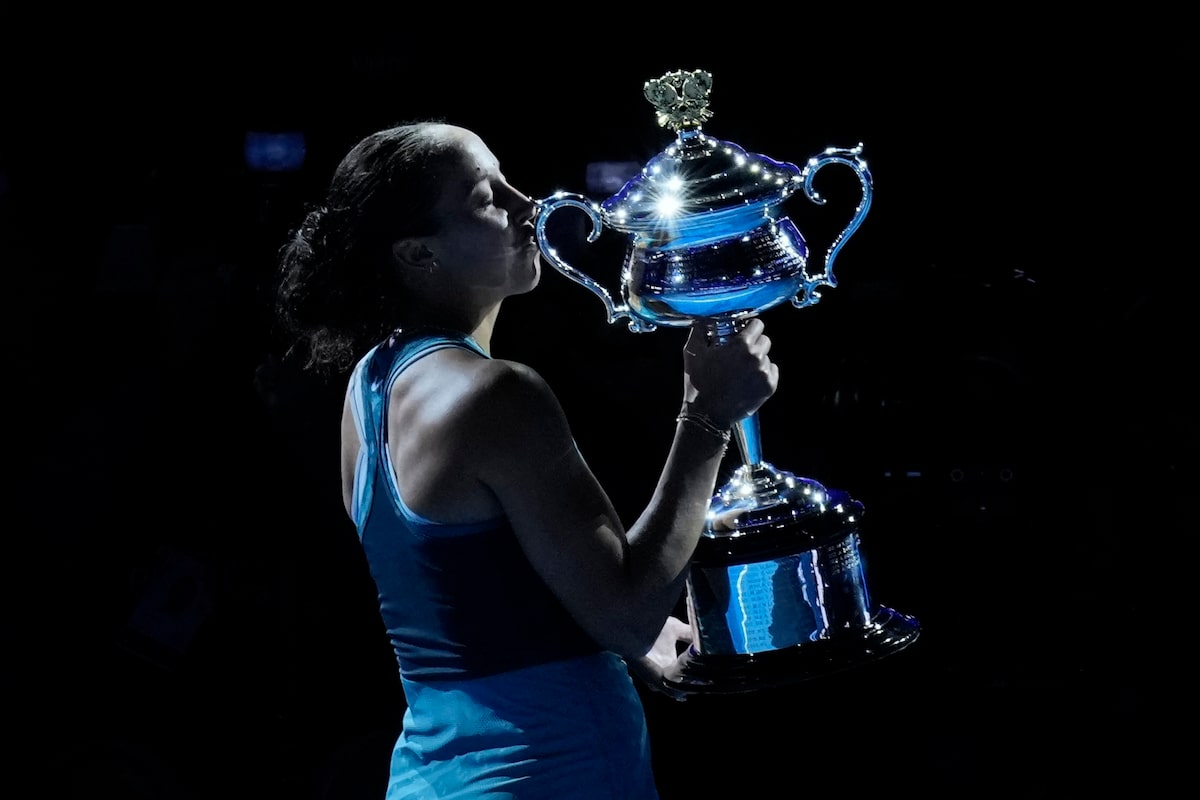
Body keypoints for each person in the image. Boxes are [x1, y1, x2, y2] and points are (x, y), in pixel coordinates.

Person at [271, 119, 778, 799]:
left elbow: (473, 598)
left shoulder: (371, 384)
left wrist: (623, 635)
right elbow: (626, 612)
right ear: (418, 254)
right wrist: (708, 415)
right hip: (552, 775)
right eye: (487, 197)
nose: (527, 204)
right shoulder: (498, 394)